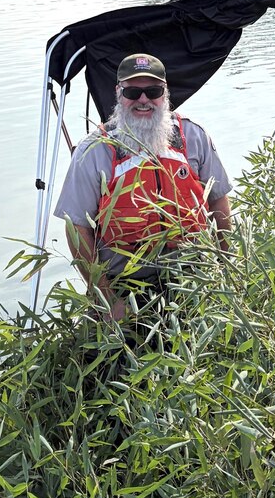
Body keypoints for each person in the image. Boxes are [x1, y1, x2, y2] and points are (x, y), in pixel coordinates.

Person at [54, 53, 232, 320]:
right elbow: (76, 228)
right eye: (133, 92)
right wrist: (106, 298)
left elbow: (218, 199)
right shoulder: (94, 150)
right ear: (118, 92)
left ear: (165, 92)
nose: (143, 100)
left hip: (193, 274)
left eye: (153, 91)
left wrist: (227, 266)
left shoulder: (193, 137)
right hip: (123, 283)